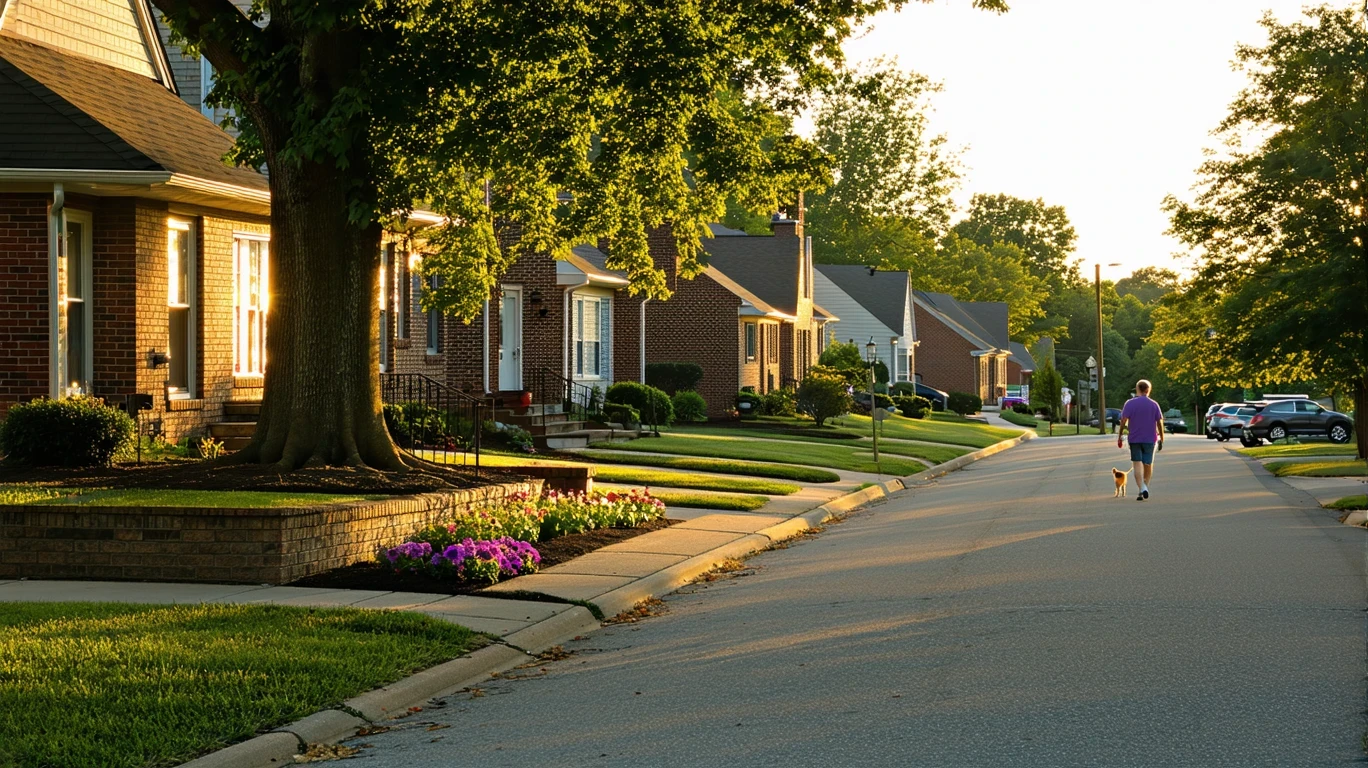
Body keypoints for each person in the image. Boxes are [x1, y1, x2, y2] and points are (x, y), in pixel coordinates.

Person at [1117, 379, 1164, 501]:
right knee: (1148, 464)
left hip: (1134, 439)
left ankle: (1142, 488)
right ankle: (1144, 488)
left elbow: (1123, 421)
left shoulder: (1129, 404)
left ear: (1137, 389)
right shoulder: (1154, 404)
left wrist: (1120, 434)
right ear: (1148, 390)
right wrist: (1161, 438)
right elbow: (1159, 422)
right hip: (1150, 439)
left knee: (1137, 463)